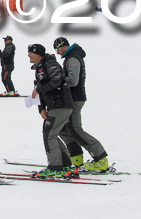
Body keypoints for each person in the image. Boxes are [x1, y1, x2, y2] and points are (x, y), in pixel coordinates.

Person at [54, 37, 109, 172]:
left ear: (63, 46)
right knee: (65, 129)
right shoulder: (71, 57)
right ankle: (76, 157)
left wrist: (58, 79)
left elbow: (73, 81)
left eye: (57, 49)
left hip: (75, 98)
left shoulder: (73, 58)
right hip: (71, 98)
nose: (57, 53)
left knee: (75, 129)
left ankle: (100, 158)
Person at [27, 43, 73, 179]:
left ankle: (55, 166)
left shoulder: (50, 64)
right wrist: (41, 109)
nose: (28, 55)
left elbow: (56, 81)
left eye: (31, 52)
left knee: (49, 135)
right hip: (55, 106)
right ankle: (64, 164)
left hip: (61, 105)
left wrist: (39, 90)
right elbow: (39, 91)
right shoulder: (40, 68)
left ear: (38, 54)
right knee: (51, 134)